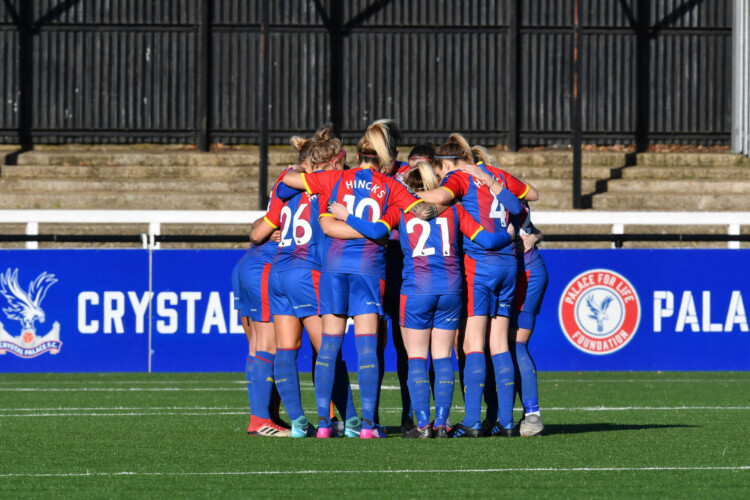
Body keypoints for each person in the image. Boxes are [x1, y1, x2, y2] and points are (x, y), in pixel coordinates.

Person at [279, 119, 441, 438]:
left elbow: (288, 179)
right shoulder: (392, 187)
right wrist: (380, 227)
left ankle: (324, 425)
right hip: (369, 270)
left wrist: (339, 216)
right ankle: (368, 426)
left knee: (328, 348)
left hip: (333, 269)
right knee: (368, 348)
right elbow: (425, 212)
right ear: (384, 159)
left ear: (356, 155)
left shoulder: (335, 178)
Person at [332, 161, 516, 438]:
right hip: (451, 290)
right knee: (443, 358)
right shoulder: (455, 210)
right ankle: (441, 422)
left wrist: (346, 216)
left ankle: (422, 425)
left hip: (416, 290)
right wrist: (509, 235)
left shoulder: (400, 210)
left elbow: (376, 232)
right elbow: (488, 242)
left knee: (416, 358)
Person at [418, 134, 532, 437]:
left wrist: (407, 194)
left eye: (441, 171)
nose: (442, 177)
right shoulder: (494, 173)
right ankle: (507, 422)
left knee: (473, 345)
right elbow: (530, 196)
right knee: (500, 343)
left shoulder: (458, 176)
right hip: (509, 263)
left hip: (480, 266)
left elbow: (442, 197)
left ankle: (472, 421)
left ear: (446, 164)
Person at [250, 127, 359, 438]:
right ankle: (351, 421)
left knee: (287, 348)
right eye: (343, 161)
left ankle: (299, 423)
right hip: (306, 271)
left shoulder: (283, 185)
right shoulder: (329, 183)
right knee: (328, 349)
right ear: (332, 162)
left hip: (278, 271)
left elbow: (260, 228)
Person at [510, 200, 548, 436]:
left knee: (516, 344)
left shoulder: (503, 191)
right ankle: (498, 416)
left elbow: (530, 228)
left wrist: (533, 237)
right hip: (497, 274)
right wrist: (535, 235)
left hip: (525, 273)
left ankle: (532, 415)